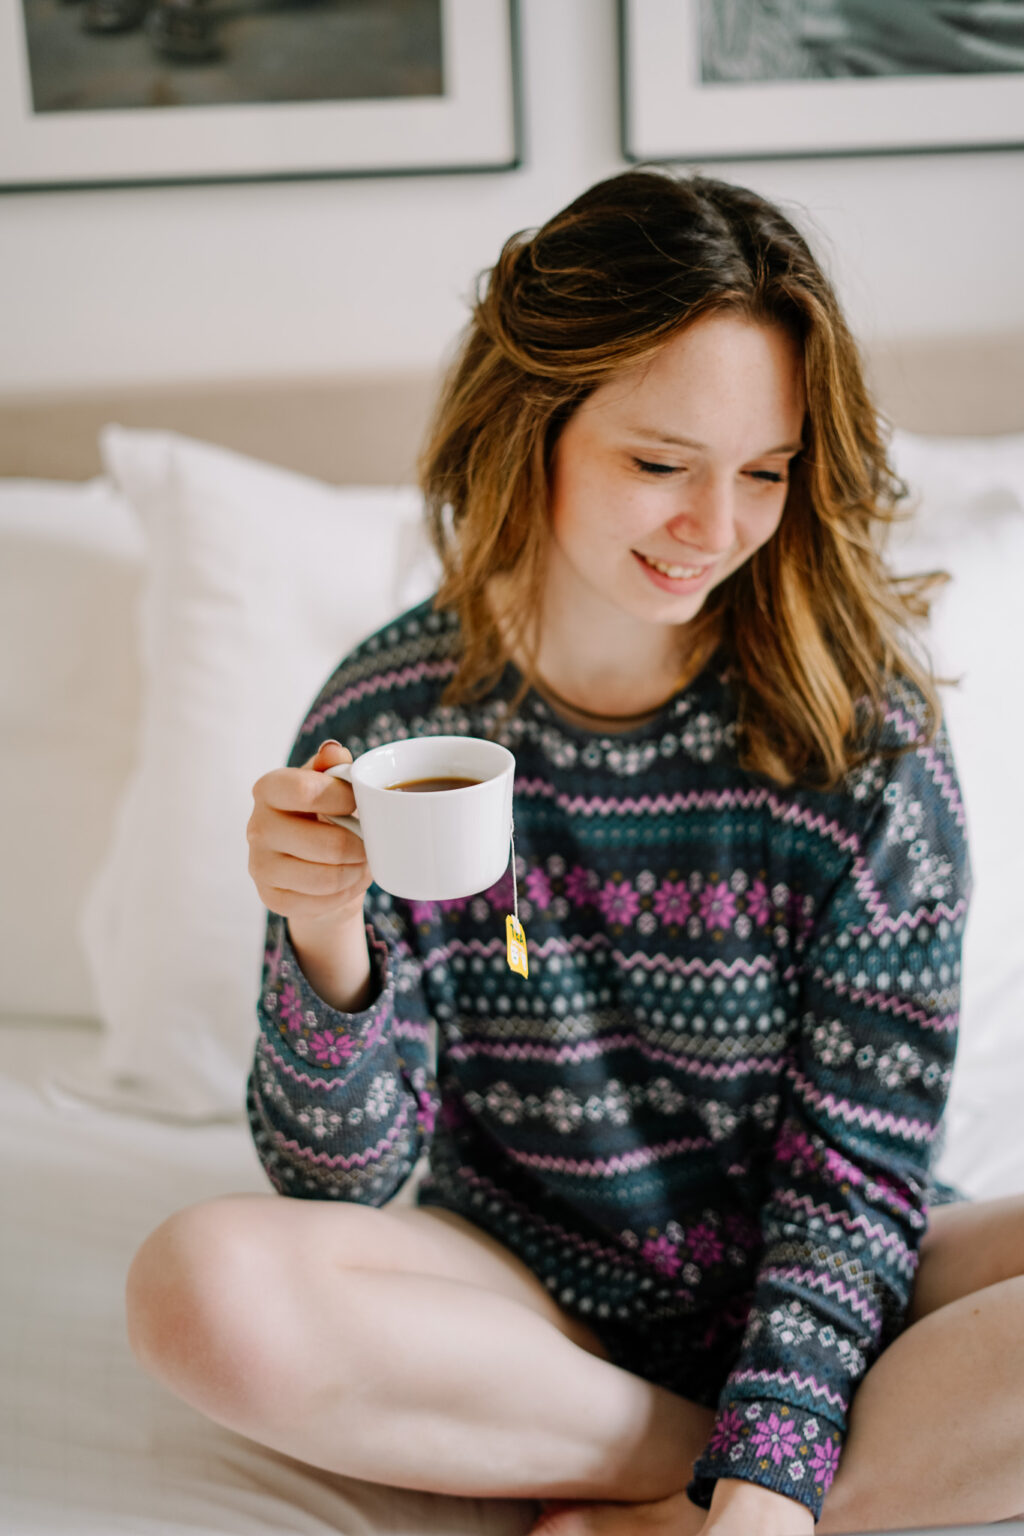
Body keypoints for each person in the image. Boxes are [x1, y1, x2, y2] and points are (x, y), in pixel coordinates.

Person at [123, 170, 1024, 1535]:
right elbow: (339, 1191)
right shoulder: (393, 720)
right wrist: (326, 943)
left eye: (765, 473)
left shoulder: (862, 744)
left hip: (837, 1281)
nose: (714, 529)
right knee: (199, 1288)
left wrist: (768, 1494)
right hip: (521, 1288)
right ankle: (665, 1459)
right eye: (660, 464)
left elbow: (857, 1173)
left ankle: (682, 1492)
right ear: (532, 427)